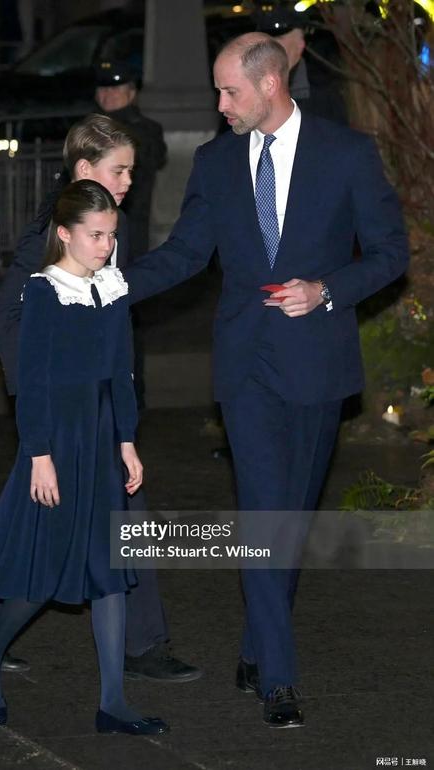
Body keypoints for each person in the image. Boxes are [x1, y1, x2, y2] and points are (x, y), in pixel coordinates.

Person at [123, 33, 409, 728]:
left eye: (230, 92)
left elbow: (389, 253)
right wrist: (103, 285)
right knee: (263, 520)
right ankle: (278, 680)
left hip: (317, 365)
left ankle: (256, 647)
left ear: (272, 85)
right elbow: (188, 253)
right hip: (246, 367)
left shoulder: (345, 154)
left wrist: (328, 291)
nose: (220, 105)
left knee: (291, 522)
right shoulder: (218, 163)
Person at [0, 114, 201, 684]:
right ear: (86, 170)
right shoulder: (55, 230)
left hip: (100, 403)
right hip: (64, 408)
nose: (130, 181)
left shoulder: (108, 226)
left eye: (133, 171)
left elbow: (115, 297)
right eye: (121, 170)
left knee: (78, 523)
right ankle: (137, 646)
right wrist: (40, 401)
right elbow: (10, 315)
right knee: (84, 523)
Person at [0, 180, 169, 736]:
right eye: (95, 234)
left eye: (111, 235)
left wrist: (127, 441)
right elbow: (31, 385)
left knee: (109, 571)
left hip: (103, 440)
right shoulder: (45, 293)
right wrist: (40, 455)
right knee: (42, 571)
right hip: (58, 439)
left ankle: (113, 702)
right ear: (64, 234)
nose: (105, 244)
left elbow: (122, 370)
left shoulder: (114, 288)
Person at [94, 60, 168, 409]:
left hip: (128, 238)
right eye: (103, 88)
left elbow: (149, 158)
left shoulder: (142, 131)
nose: (108, 95)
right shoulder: (92, 128)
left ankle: (129, 398)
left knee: (124, 318)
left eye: (116, 88)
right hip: (91, 237)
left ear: (132, 92)